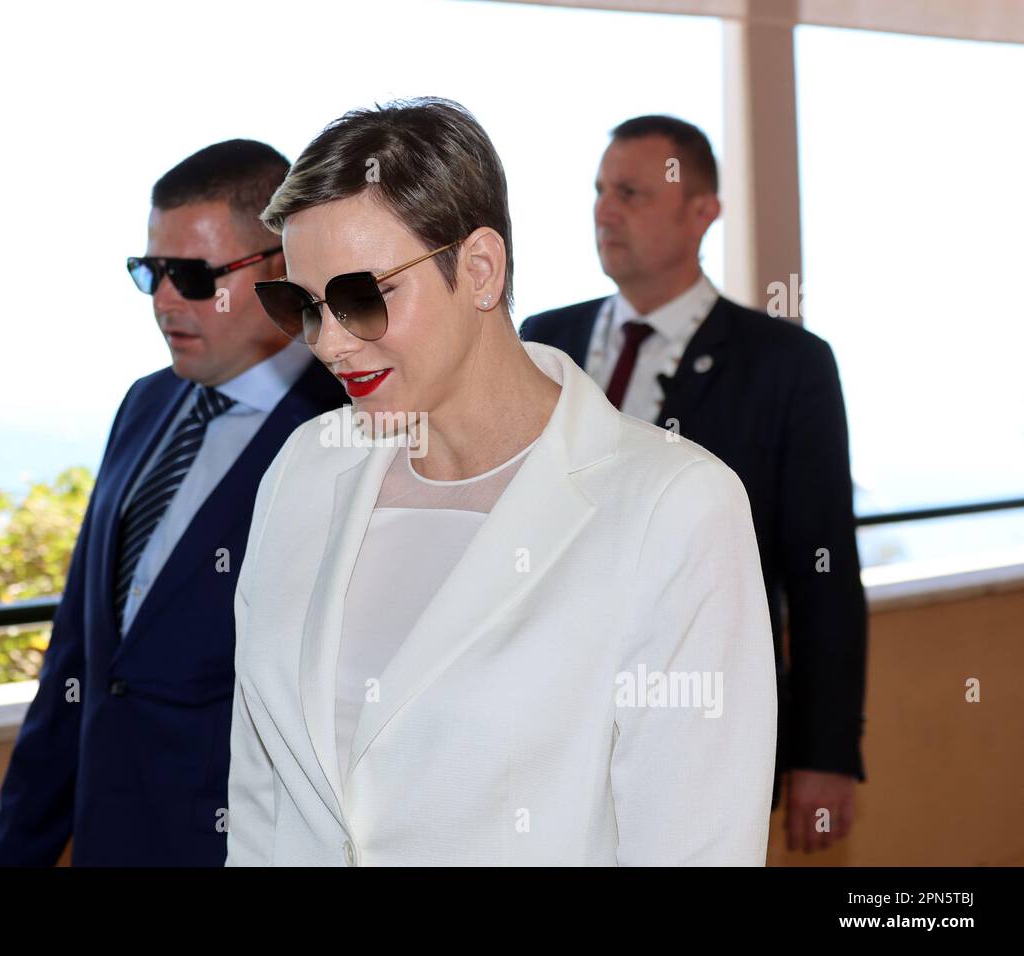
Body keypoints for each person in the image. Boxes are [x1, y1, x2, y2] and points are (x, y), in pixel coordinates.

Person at [225, 98, 777, 866]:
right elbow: (262, 797)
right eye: (303, 308)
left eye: (360, 297)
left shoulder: (673, 508)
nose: (332, 343)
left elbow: (693, 847)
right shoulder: (303, 472)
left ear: (479, 269)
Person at [0, 140, 347, 866]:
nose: (165, 299)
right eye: (150, 271)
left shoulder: (347, 434)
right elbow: (77, 668)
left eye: (192, 275)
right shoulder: (145, 404)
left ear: (281, 268)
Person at [520, 115, 867, 855]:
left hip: (698, 721)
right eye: (599, 191)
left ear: (702, 211)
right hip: (540, 721)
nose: (604, 211)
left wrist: (825, 754)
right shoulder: (544, 343)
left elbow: (823, 571)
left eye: (632, 193)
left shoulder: (786, 364)